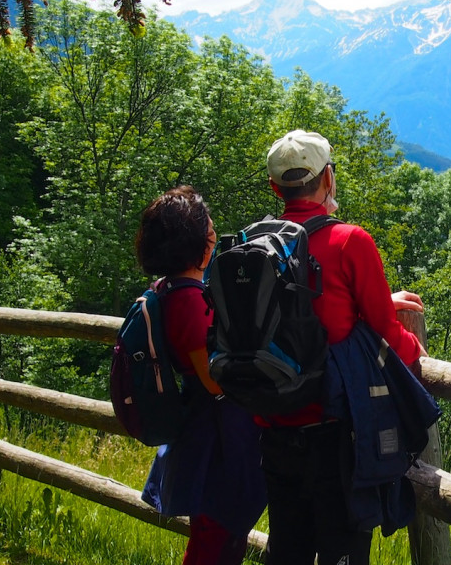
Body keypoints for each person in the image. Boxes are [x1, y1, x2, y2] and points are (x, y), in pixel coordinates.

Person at [259, 129, 427, 565]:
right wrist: (418, 354)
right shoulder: (351, 241)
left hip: (275, 428)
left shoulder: (261, 244)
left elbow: (307, 305)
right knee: (343, 553)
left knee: (287, 554)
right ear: (328, 178)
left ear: (276, 188)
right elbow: (388, 332)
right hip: (335, 436)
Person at [135, 186, 267, 565]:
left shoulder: (169, 289)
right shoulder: (191, 301)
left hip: (207, 429)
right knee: (216, 541)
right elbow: (212, 378)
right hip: (216, 438)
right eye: (208, 227)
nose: (214, 232)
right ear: (194, 240)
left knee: (216, 538)